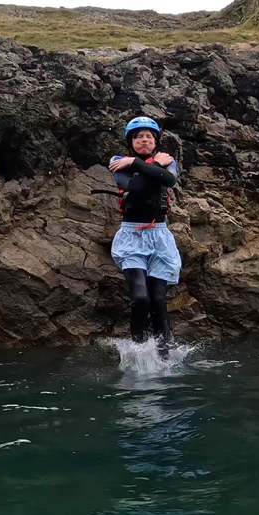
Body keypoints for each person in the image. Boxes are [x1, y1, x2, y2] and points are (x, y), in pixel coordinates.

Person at [108, 116, 181, 355]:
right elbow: (135, 187)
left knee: (159, 300)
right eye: (138, 137)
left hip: (159, 235)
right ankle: (137, 349)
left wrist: (145, 165)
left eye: (149, 136)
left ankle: (165, 351)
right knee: (141, 297)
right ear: (131, 142)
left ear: (156, 140)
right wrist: (151, 165)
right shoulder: (119, 162)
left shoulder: (167, 160)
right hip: (132, 236)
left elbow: (169, 180)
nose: (144, 140)